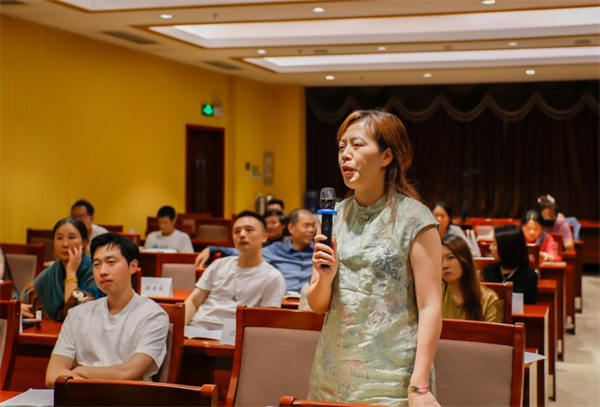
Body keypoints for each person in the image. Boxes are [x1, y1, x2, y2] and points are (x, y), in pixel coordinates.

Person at [307, 110, 442, 406]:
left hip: (393, 378)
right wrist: (325, 279)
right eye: (341, 147)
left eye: (357, 145)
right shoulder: (332, 217)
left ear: (386, 156)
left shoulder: (416, 220)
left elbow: (430, 306)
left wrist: (419, 385)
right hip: (332, 372)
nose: (346, 154)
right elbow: (317, 305)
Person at [45, 233, 169, 387]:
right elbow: (52, 375)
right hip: (81, 397)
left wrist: (81, 370)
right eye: (96, 264)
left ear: (133, 266)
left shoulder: (153, 315)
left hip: (130, 397)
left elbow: (128, 372)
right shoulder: (77, 314)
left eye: (111, 262)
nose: (102, 271)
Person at [184, 211, 286, 330]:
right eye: (237, 231)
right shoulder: (218, 265)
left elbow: (266, 323)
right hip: (197, 327)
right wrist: (180, 330)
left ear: (264, 237)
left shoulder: (273, 277)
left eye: (249, 230)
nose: (241, 235)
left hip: (235, 336)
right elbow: (192, 302)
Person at [195, 208, 316, 292]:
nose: (311, 230)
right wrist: (212, 249)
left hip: (311, 306)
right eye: (306, 226)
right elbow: (246, 252)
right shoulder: (277, 249)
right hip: (283, 303)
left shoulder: (319, 251)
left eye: (313, 226)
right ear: (291, 228)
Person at [19, 218, 104, 321]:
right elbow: (22, 297)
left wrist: (71, 272)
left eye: (71, 237)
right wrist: (19, 307)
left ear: (84, 242)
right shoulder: (51, 272)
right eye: (59, 238)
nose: (65, 244)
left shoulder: (96, 270)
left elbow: (76, 315)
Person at [441, 235, 501, 323]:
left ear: (465, 259)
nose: (444, 265)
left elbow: (492, 332)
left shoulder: (489, 299)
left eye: (450, 257)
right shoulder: (433, 297)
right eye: (439, 260)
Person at [483, 225, 538, 305]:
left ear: (507, 248)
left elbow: (520, 306)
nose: (490, 247)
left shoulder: (528, 277)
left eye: (494, 244)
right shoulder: (487, 271)